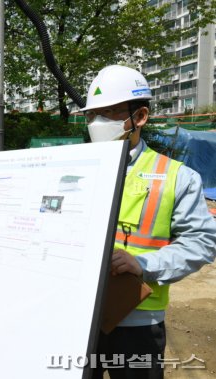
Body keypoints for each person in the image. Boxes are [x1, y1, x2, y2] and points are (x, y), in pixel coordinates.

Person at [80, 65, 216, 379]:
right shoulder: (74, 168)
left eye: (110, 113)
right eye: (92, 115)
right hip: (77, 314)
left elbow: (201, 243)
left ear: (139, 117)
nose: (97, 123)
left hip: (136, 324)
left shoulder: (177, 177)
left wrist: (144, 264)